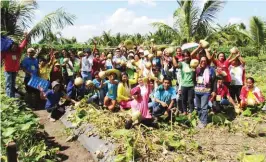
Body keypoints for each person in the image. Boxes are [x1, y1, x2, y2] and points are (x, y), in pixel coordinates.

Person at [1, 32, 28, 97]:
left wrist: (26, 38)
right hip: (8, 71)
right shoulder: (6, 52)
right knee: (8, 84)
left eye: (16, 47)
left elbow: (22, 45)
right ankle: (9, 97)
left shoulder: (17, 52)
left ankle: (12, 96)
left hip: (14, 71)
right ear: (11, 46)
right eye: (13, 46)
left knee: (12, 84)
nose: (14, 48)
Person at [194, 56, 216, 128]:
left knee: (204, 107)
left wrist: (214, 91)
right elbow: (193, 79)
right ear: (199, 61)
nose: (203, 62)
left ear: (207, 61)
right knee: (198, 107)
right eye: (202, 60)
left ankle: (204, 122)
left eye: (204, 60)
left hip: (206, 91)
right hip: (197, 91)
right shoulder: (196, 69)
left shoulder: (211, 69)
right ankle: (200, 119)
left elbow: (214, 81)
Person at [173, 50, 195, 115]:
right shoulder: (182, 64)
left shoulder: (193, 63)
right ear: (183, 57)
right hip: (183, 84)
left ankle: (191, 112)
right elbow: (175, 65)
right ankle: (185, 111)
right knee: (184, 99)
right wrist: (173, 57)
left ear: (189, 56)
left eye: (187, 56)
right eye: (185, 56)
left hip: (191, 84)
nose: (186, 57)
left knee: (190, 100)